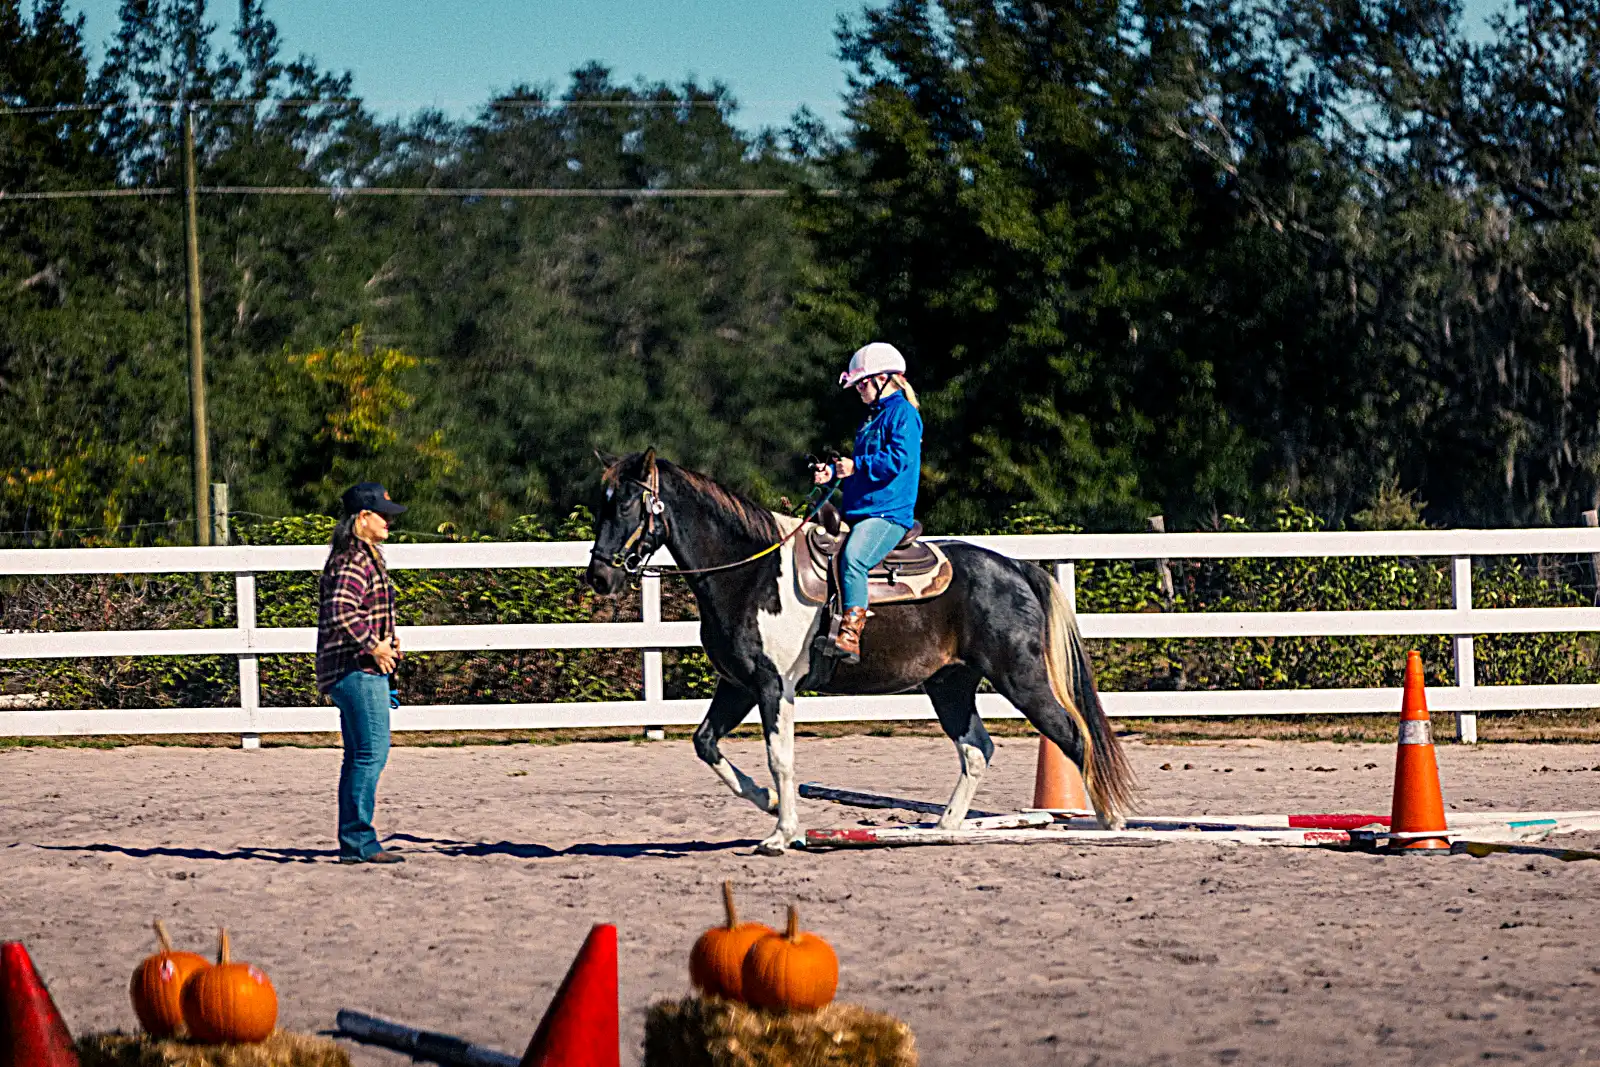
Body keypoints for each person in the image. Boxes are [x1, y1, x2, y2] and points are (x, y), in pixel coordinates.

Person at [813, 342, 924, 663]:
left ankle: (850, 633)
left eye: (862, 383)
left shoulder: (902, 414)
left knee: (854, 559)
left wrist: (854, 466)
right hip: (861, 510)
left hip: (888, 513)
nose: (858, 389)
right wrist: (833, 472)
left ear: (885, 379)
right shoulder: (873, 418)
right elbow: (861, 466)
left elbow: (898, 459)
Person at [317, 482, 408, 864]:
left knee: (360, 755)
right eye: (382, 515)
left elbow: (355, 610)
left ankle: (354, 840)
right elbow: (341, 610)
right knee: (371, 753)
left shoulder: (360, 556)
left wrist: (387, 639)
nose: (389, 521)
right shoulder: (355, 559)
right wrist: (374, 645)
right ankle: (358, 841)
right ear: (363, 517)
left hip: (352, 668)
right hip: (356, 669)